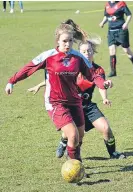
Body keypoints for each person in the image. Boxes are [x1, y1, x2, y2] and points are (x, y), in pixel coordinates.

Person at [5, 19, 113, 163]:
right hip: (55, 102)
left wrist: (103, 83)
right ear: (57, 41)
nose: (67, 44)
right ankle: (75, 165)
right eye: (64, 41)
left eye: (70, 41)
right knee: (73, 135)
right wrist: (12, 81)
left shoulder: (78, 57)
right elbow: (29, 68)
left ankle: (73, 157)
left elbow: (93, 75)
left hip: (75, 101)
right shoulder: (48, 56)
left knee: (79, 136)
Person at [28, 37, 126, 159]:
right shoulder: (73, 65)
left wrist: (105, 96)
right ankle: (64, 144)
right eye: (84, 52)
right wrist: (39, 85)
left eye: (89, 51)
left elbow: (100, 83)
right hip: (71, 106)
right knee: (72, 135)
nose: (87, 54)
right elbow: (57, 78)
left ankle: (113, 153)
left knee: (106, 128)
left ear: (93, 52)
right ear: (79, 53)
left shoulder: (97, 69)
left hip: (88, 106)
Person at [99, 1, 133, 77]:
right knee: (112, 50)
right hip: (111, 31)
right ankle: (113, 72)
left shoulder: (121, 3)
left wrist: (126, 23)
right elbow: (106, 16)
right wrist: (102, 22)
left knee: (126, 50)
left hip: (121, 31)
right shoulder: (107, 4)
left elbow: (129, 15)